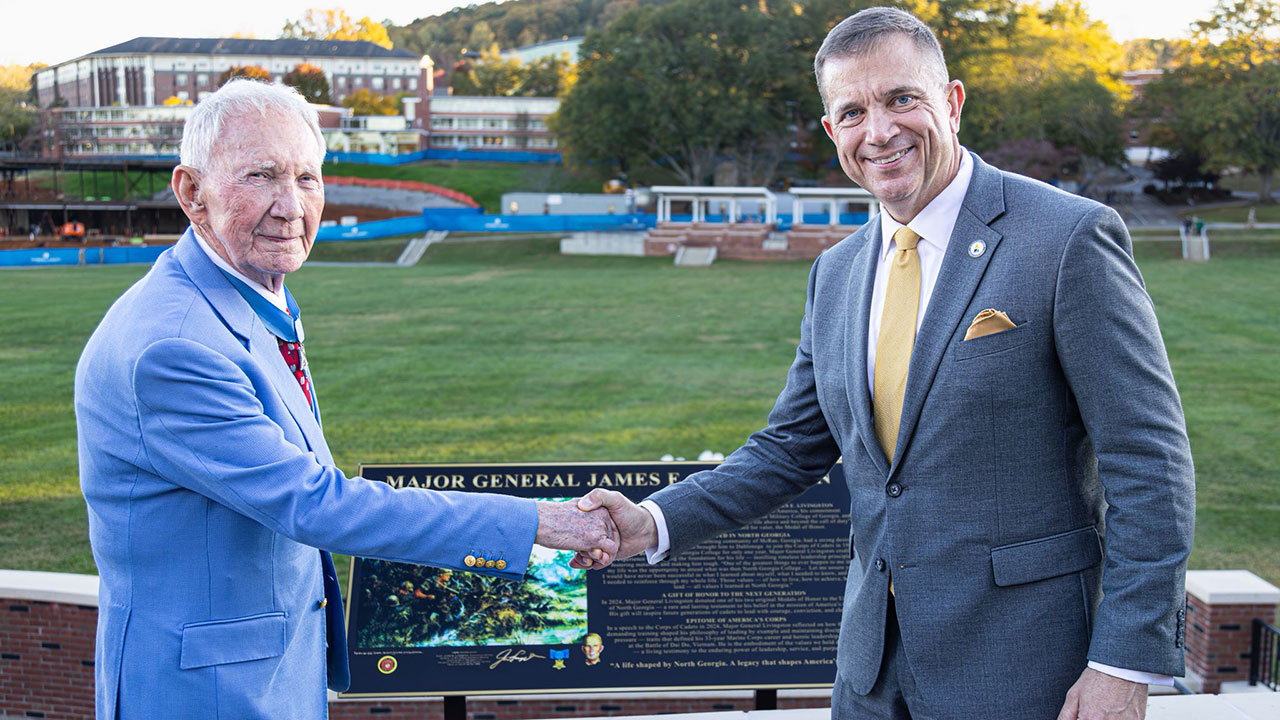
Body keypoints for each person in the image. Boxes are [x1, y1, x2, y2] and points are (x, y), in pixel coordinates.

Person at [573, 7, 1194, 720]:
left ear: (951, 102)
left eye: (902, 98)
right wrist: (651, 519)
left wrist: (1123, 663)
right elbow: (790, 447)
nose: (880, 131)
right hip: (871, 675)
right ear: (833, 130)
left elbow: (1148, 460)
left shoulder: (1066, 239)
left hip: (1024, 669)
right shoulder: (836, 272)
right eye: (853, 111)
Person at [74, 79, 617, 720]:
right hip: (204, 695)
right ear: (191, 193)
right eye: (261, 176)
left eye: (308, 178)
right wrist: (537, 523)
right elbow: (314, 502)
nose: (290, 205)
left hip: (266, 675)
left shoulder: (249, 294)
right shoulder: (174, 346)